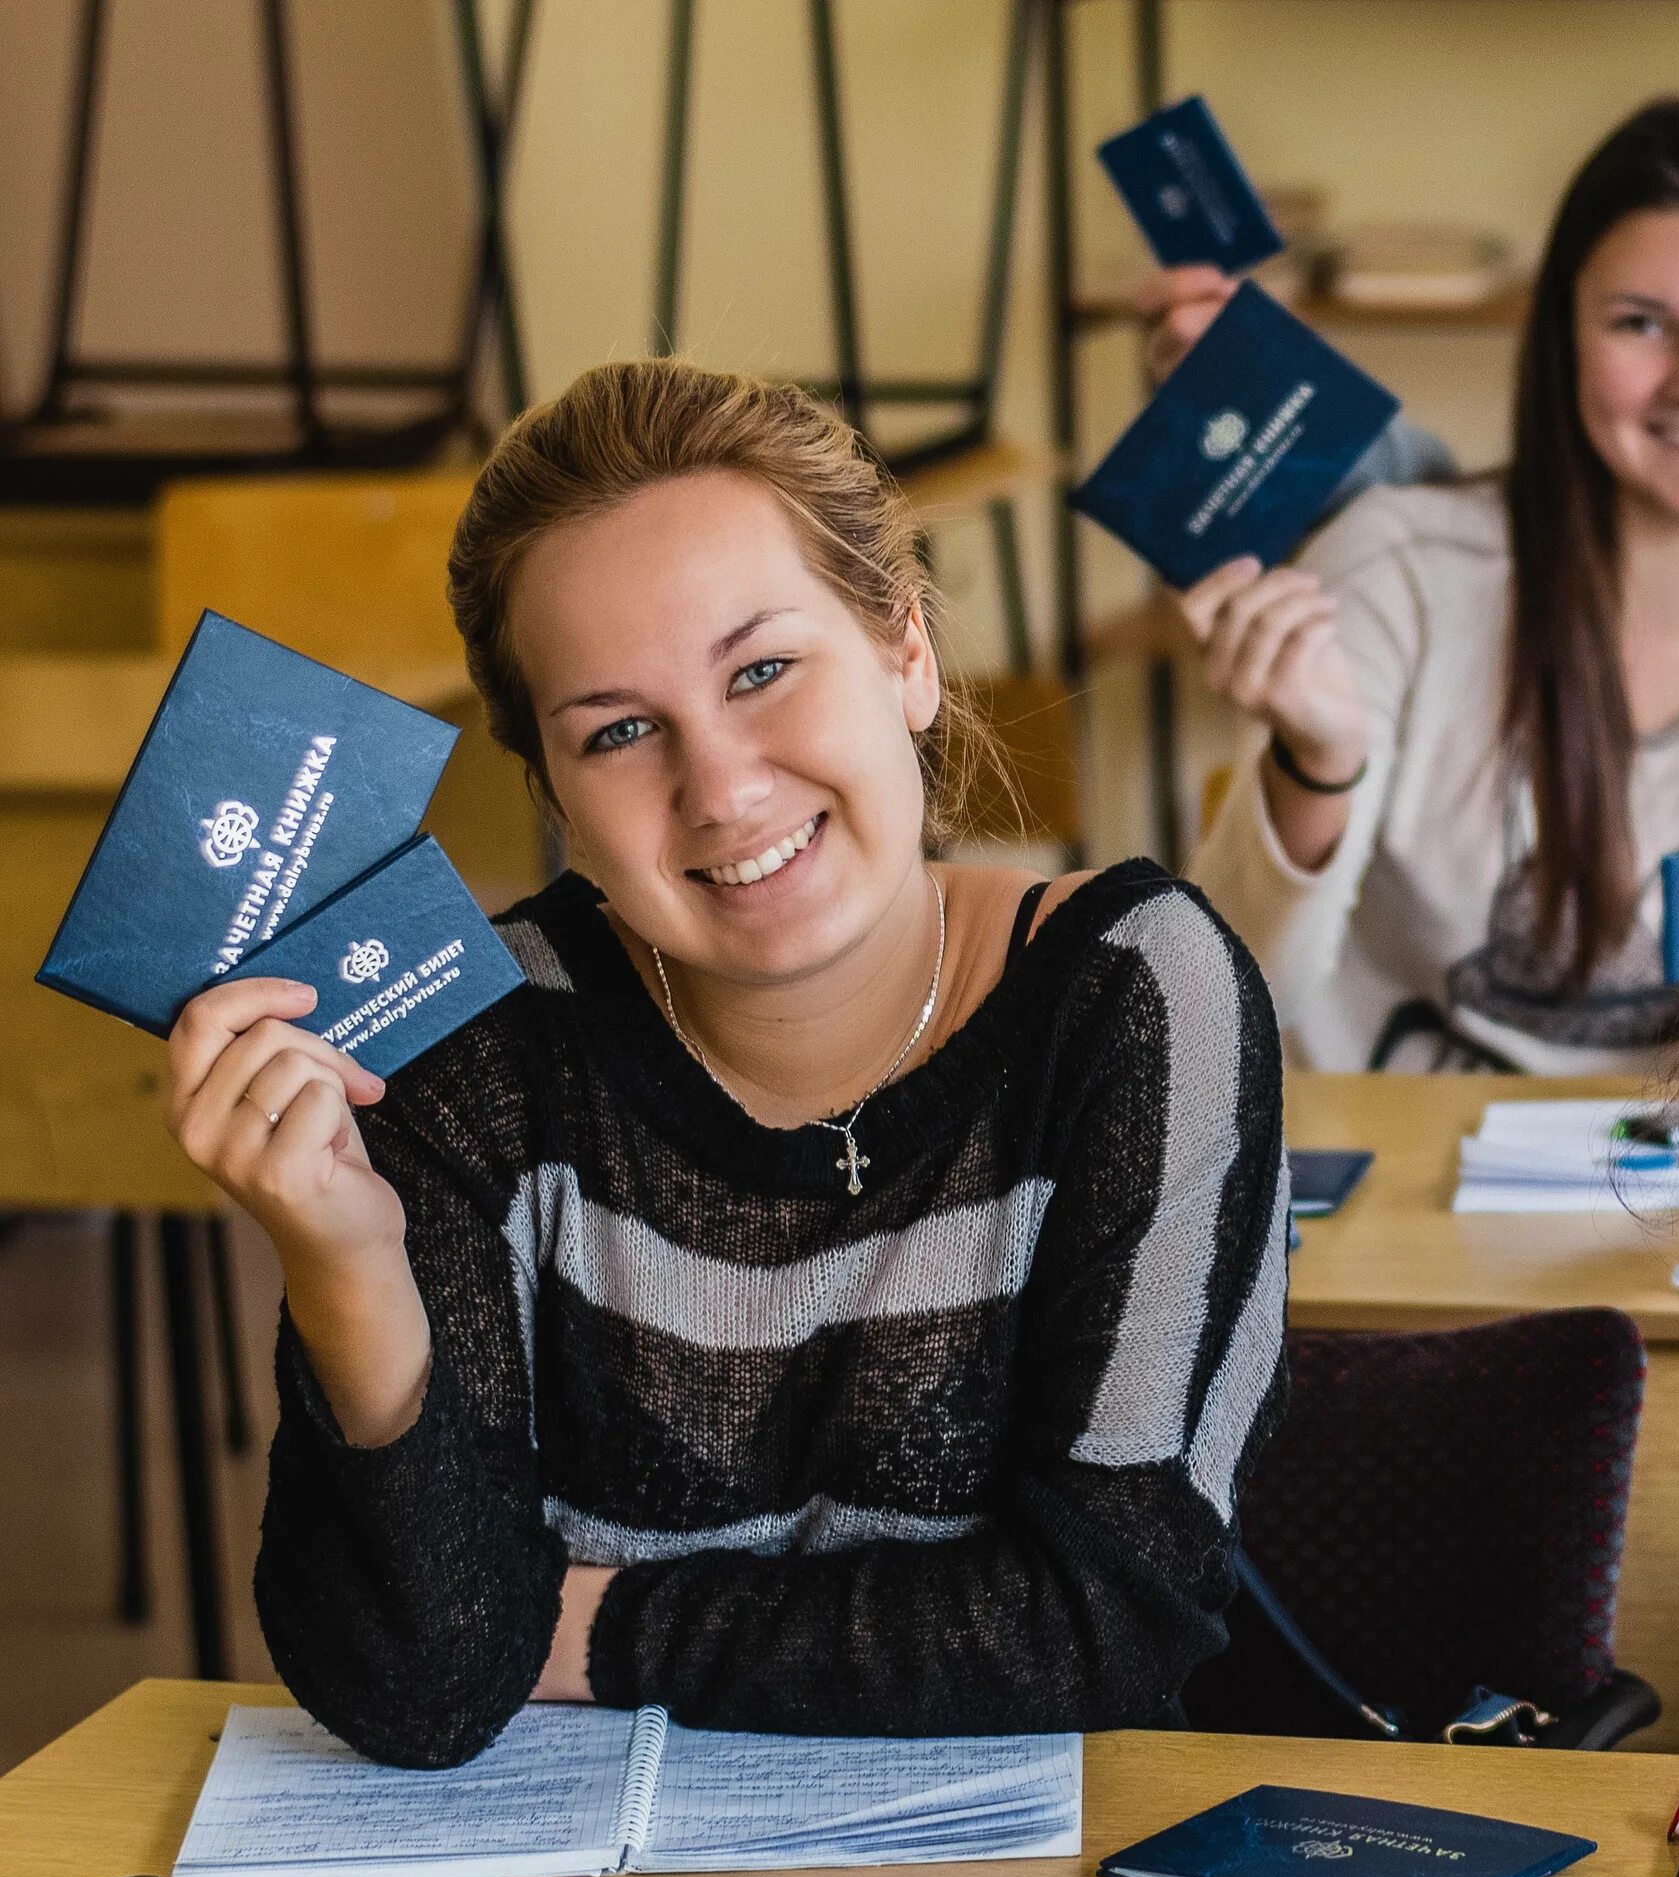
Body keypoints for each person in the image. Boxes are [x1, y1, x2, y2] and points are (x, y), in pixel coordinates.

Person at [165, 359, 1288, 1768]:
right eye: (619, 732)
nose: (724, 788)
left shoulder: (1132, 990)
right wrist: (342, 1262)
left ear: (908, 655)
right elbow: (423, 1684)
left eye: (763, 671)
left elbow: (1106, 1628)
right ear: (556, 792)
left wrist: (581, 1626)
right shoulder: (459, 1040)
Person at [1178, 98, 1679, 1072]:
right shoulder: (1399, 571)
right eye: (1640, 324)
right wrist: (1317, 761)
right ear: (1565, 339)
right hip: (1405, 1200)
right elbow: (1230, 999)